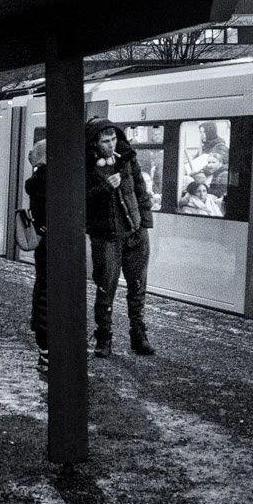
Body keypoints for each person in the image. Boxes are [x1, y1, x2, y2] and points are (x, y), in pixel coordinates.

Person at [85, 118, 155, 357]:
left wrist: (144, 223)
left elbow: (140, 189)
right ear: (95, 143)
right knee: (106, 288)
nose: (111, 144)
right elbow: (80, 200)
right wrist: (105, 187)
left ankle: (139, 335)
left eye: (114, 139)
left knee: (137, 287)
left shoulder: (126, 156)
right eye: (105, 141)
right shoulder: (85, 164)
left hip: (135, 233)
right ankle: (103, 338)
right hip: (105, 236)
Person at [23, 141, 51, 374]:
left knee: (43, 293)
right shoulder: (46, 182)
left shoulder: (35, 182)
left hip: (43, 246)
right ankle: (46, 351)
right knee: (46, 296)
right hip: (52, 247)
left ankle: (45, 351)